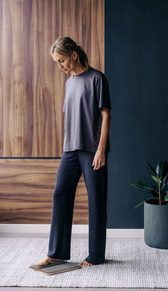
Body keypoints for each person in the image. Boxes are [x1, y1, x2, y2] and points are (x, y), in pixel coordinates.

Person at [36, 37, 112, 267]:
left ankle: (95, 256)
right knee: (60, 193)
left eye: (61, 60)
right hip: (70, 149)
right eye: (57, 62)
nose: (60, 66)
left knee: (96, 201)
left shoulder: (97, 78)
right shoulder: (69, 82)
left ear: (73, 55)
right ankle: (57, 252)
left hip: (92, 150)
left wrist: (101, 150)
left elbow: (106, 115)